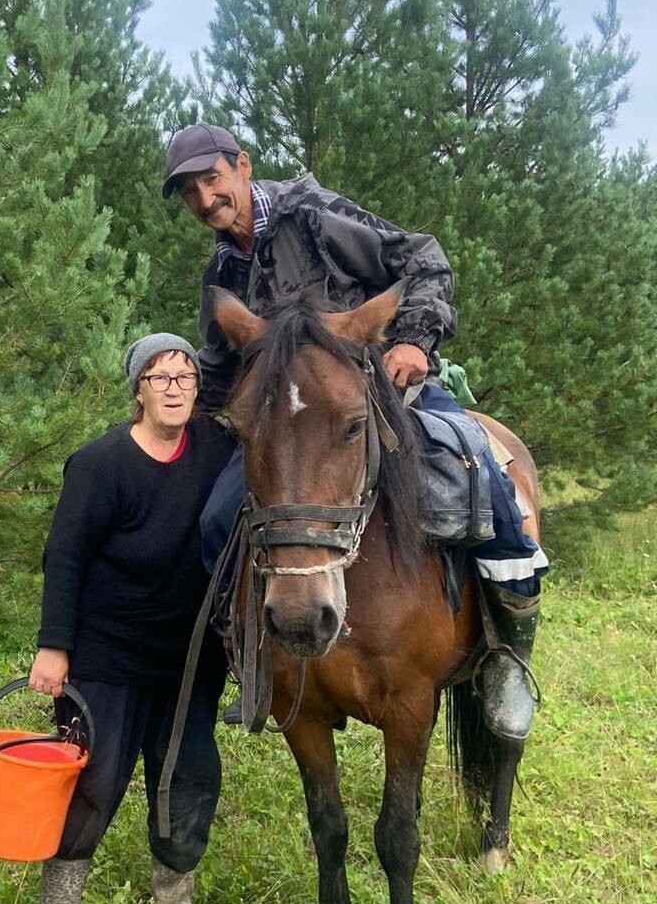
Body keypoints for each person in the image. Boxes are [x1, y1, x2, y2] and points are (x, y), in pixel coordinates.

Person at [161, 123, 548, 745]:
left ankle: (506, 656)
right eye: (190, 192)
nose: (206, 200)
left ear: (242, 166)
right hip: (294, 427)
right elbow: (220, 366)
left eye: (213, 179)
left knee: (482, 473)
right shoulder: (222, 273)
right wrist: (168, 400)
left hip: (386, 388)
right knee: (214, 522)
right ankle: (253, 659)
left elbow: (422, 260)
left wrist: (416, 341)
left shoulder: (312, 215)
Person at [24, 333, 235, 904]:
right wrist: (54, 647)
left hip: (190, 659)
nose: (174, 386)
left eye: (186, 375)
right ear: (138, 389)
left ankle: (173, 898)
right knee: (93, 783)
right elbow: (64, 558)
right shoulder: (100, 465)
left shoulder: (220, 452)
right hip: (106, 657)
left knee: (189, 775)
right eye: (159, 376)